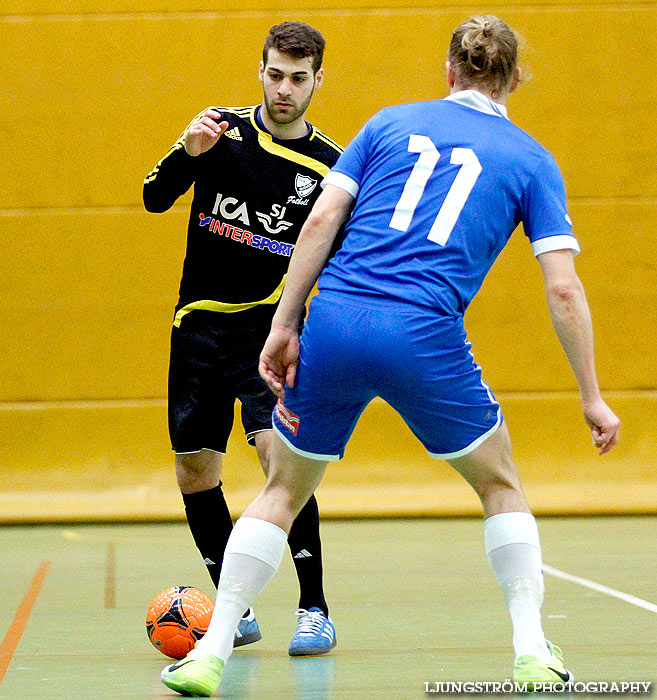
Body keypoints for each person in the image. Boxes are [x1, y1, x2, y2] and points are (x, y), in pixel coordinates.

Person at [160, 15, 621, 696]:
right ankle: (531, 650)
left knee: (281, 489)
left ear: (448, 72)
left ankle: (211, 652)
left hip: (337, 321)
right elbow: (561, 287)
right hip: (423, 333)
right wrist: (590, 394)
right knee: (498, 484)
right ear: (512, 79)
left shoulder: (387, 125)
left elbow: (318, 223)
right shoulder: (530, 159)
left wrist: (285, 326)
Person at [143, 21, 342, 656]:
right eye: (275, 74)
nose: (285, 89)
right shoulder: (218, 127)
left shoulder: (331, 166)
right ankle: (236, 605)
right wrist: (187, 153)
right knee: (195, 470)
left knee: (282, 465)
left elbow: (343, 257)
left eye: (298, 78)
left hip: (268, 330)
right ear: (260, 71)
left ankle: (315, 608)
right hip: (198, 328)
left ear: (317, 81)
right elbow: (153, 197)